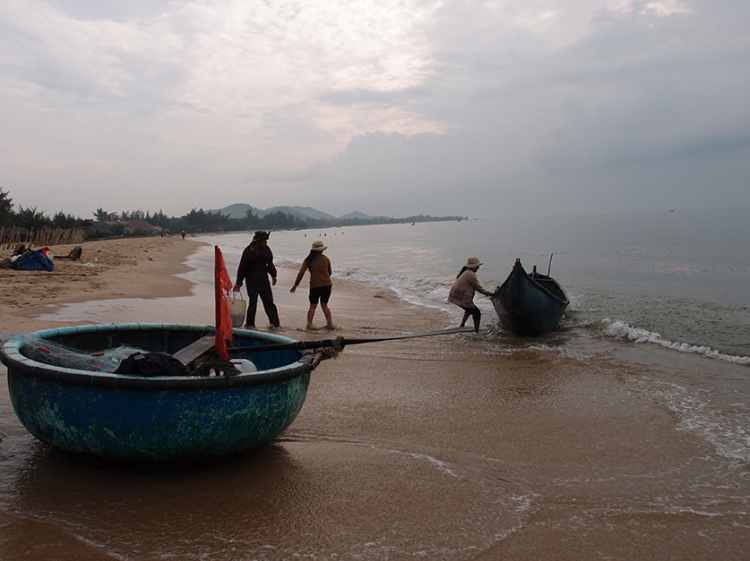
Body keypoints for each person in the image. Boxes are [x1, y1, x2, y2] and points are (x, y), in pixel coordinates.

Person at [233, 230, 280, 328]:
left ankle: (275, 324)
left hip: (264, 282)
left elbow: (269, 264)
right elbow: (242, 268)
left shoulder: (266, 250)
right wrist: (238, 283)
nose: (266, 242)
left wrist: (273, 275)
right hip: (251, 282)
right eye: (264, 240)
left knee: (269, 303)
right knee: (253, 303)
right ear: (258, 241)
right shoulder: (247, 252)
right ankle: (250, 324)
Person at [290, 240, 335, 330]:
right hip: (327, 284)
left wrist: (296, 284)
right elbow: (330, 272)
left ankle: (309, 324)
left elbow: (301, 272)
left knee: (313, 306)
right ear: (322, 250)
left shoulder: (308, 260)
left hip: (315, 285)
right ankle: (330, 324)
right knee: (324, 305)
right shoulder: (326, 258)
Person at [448, 257, 493, 332]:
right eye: (477, 266)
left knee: (469, 309)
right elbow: (478, 287)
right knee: (476, 313)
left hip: (454, 295)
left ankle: (462, 325)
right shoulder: (470, 274)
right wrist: (490, 293)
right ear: (474, 266)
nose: (478, 267)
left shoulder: (466, 272)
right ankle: (476, 331)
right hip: (460, 297)